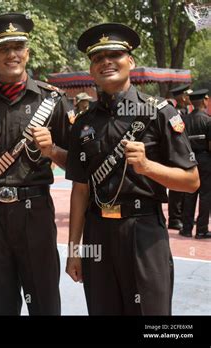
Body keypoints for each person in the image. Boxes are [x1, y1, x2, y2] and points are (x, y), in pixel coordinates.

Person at [66, 23, 200, 315]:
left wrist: (148, 167)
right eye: (98, 58)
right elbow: (80, 189)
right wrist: (74, 250)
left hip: (143, 232)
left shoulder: (159, 113)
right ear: (91, 69)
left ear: (131, 61)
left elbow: (191, 181)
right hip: (97, 232)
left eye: (114, 54)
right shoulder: (84, 122)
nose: (106, 62)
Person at [0, 13, 73, 315]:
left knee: (45, 304)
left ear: (28, 52)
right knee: (2, 305)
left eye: (18, 47)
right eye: (4, 48)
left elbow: (77, 163)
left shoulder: (52, 100)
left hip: (35, 212)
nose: (12, 54)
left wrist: (52, 151)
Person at [181, 89, 211, 238]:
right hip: (205, 160)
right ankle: (201, 229)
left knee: (189, 194)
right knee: (205, 195)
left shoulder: (184, 120)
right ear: (205, 101)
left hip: (188, 160)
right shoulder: (208, 120)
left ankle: (186, 228)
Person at [167, 84, 194, 230]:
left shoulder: (185, 111)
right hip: (176, 153)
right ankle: (174, 219)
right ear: (183, 97)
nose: (189, 98)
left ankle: (183, 215)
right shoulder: (174, 112)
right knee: (177, 189)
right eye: (187, 95)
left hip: (185, 152)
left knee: (184, 189)